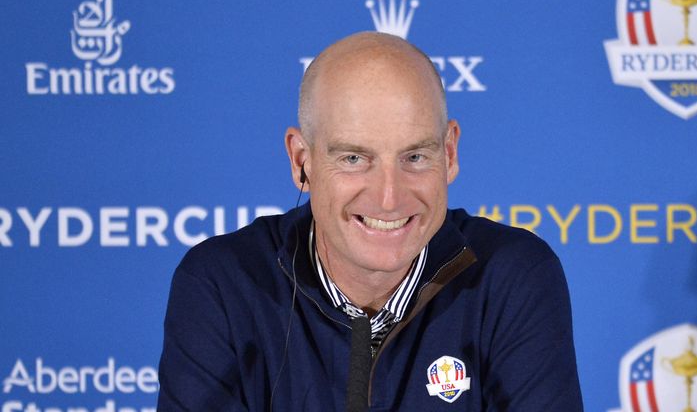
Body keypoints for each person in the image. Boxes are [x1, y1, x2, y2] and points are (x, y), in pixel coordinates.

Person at [158, 32, 582, 411]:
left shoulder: (513, 274)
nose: (389, 197)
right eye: (354, 159)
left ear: (449, 153)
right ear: (301, 161)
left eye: (415, 157)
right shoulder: (223, 282)